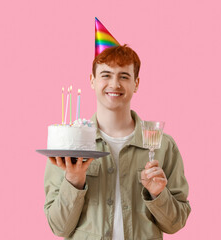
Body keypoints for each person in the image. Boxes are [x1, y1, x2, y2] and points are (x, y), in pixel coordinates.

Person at [44, 19, 191, 240]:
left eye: (124, 76)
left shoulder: (163, 145)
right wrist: (74, 182)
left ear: (137, 83)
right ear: (92, 81)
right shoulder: (68, 145)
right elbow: (59, 228)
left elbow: (176, 223)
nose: (114, 84)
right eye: (106, 75)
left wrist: (159, 194)